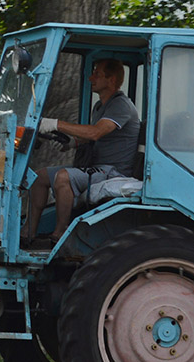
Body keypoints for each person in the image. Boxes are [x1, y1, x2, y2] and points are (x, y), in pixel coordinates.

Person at [22, 58, 139, 248]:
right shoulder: (100, 106)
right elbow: (95, 136)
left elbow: (95, 133)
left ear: (112, 80)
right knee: (40, 177)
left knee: (63, 177)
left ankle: (59, 235)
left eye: (97, 74)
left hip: (112, 172)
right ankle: (28, 233)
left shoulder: (121, 106)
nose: (91, 78)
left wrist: (56, 123)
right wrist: (72, 142)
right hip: (97, 168)